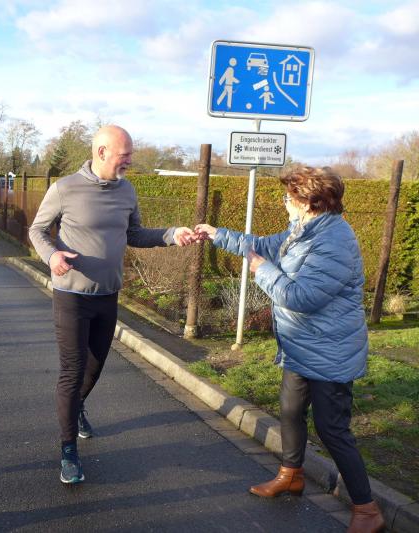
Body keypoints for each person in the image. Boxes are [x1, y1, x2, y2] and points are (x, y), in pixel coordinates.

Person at [194, 167, 385, 533]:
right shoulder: (304, 230)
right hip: (302, 346)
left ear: (309, 202)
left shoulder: (333, 241)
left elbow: (301, 297)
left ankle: (367, 509)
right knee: (290, 411)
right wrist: (219, 235)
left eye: (289, 197)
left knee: (332, 430)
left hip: (330, 352)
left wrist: (263, 271)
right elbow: (264, 246)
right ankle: (291, 475)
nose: (285, 202)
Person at [28, 125, 197, 484]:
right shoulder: (65, 189)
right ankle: (68, 450)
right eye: (125, 155)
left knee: (94, 368)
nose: (130, 161)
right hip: (71, 296)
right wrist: (52, 255)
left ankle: (77, 406)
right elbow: (37, 231)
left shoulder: (127, 190)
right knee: (72, 370)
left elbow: (134, 234)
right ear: (102, 152)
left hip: (107, 295)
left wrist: (171, 234)